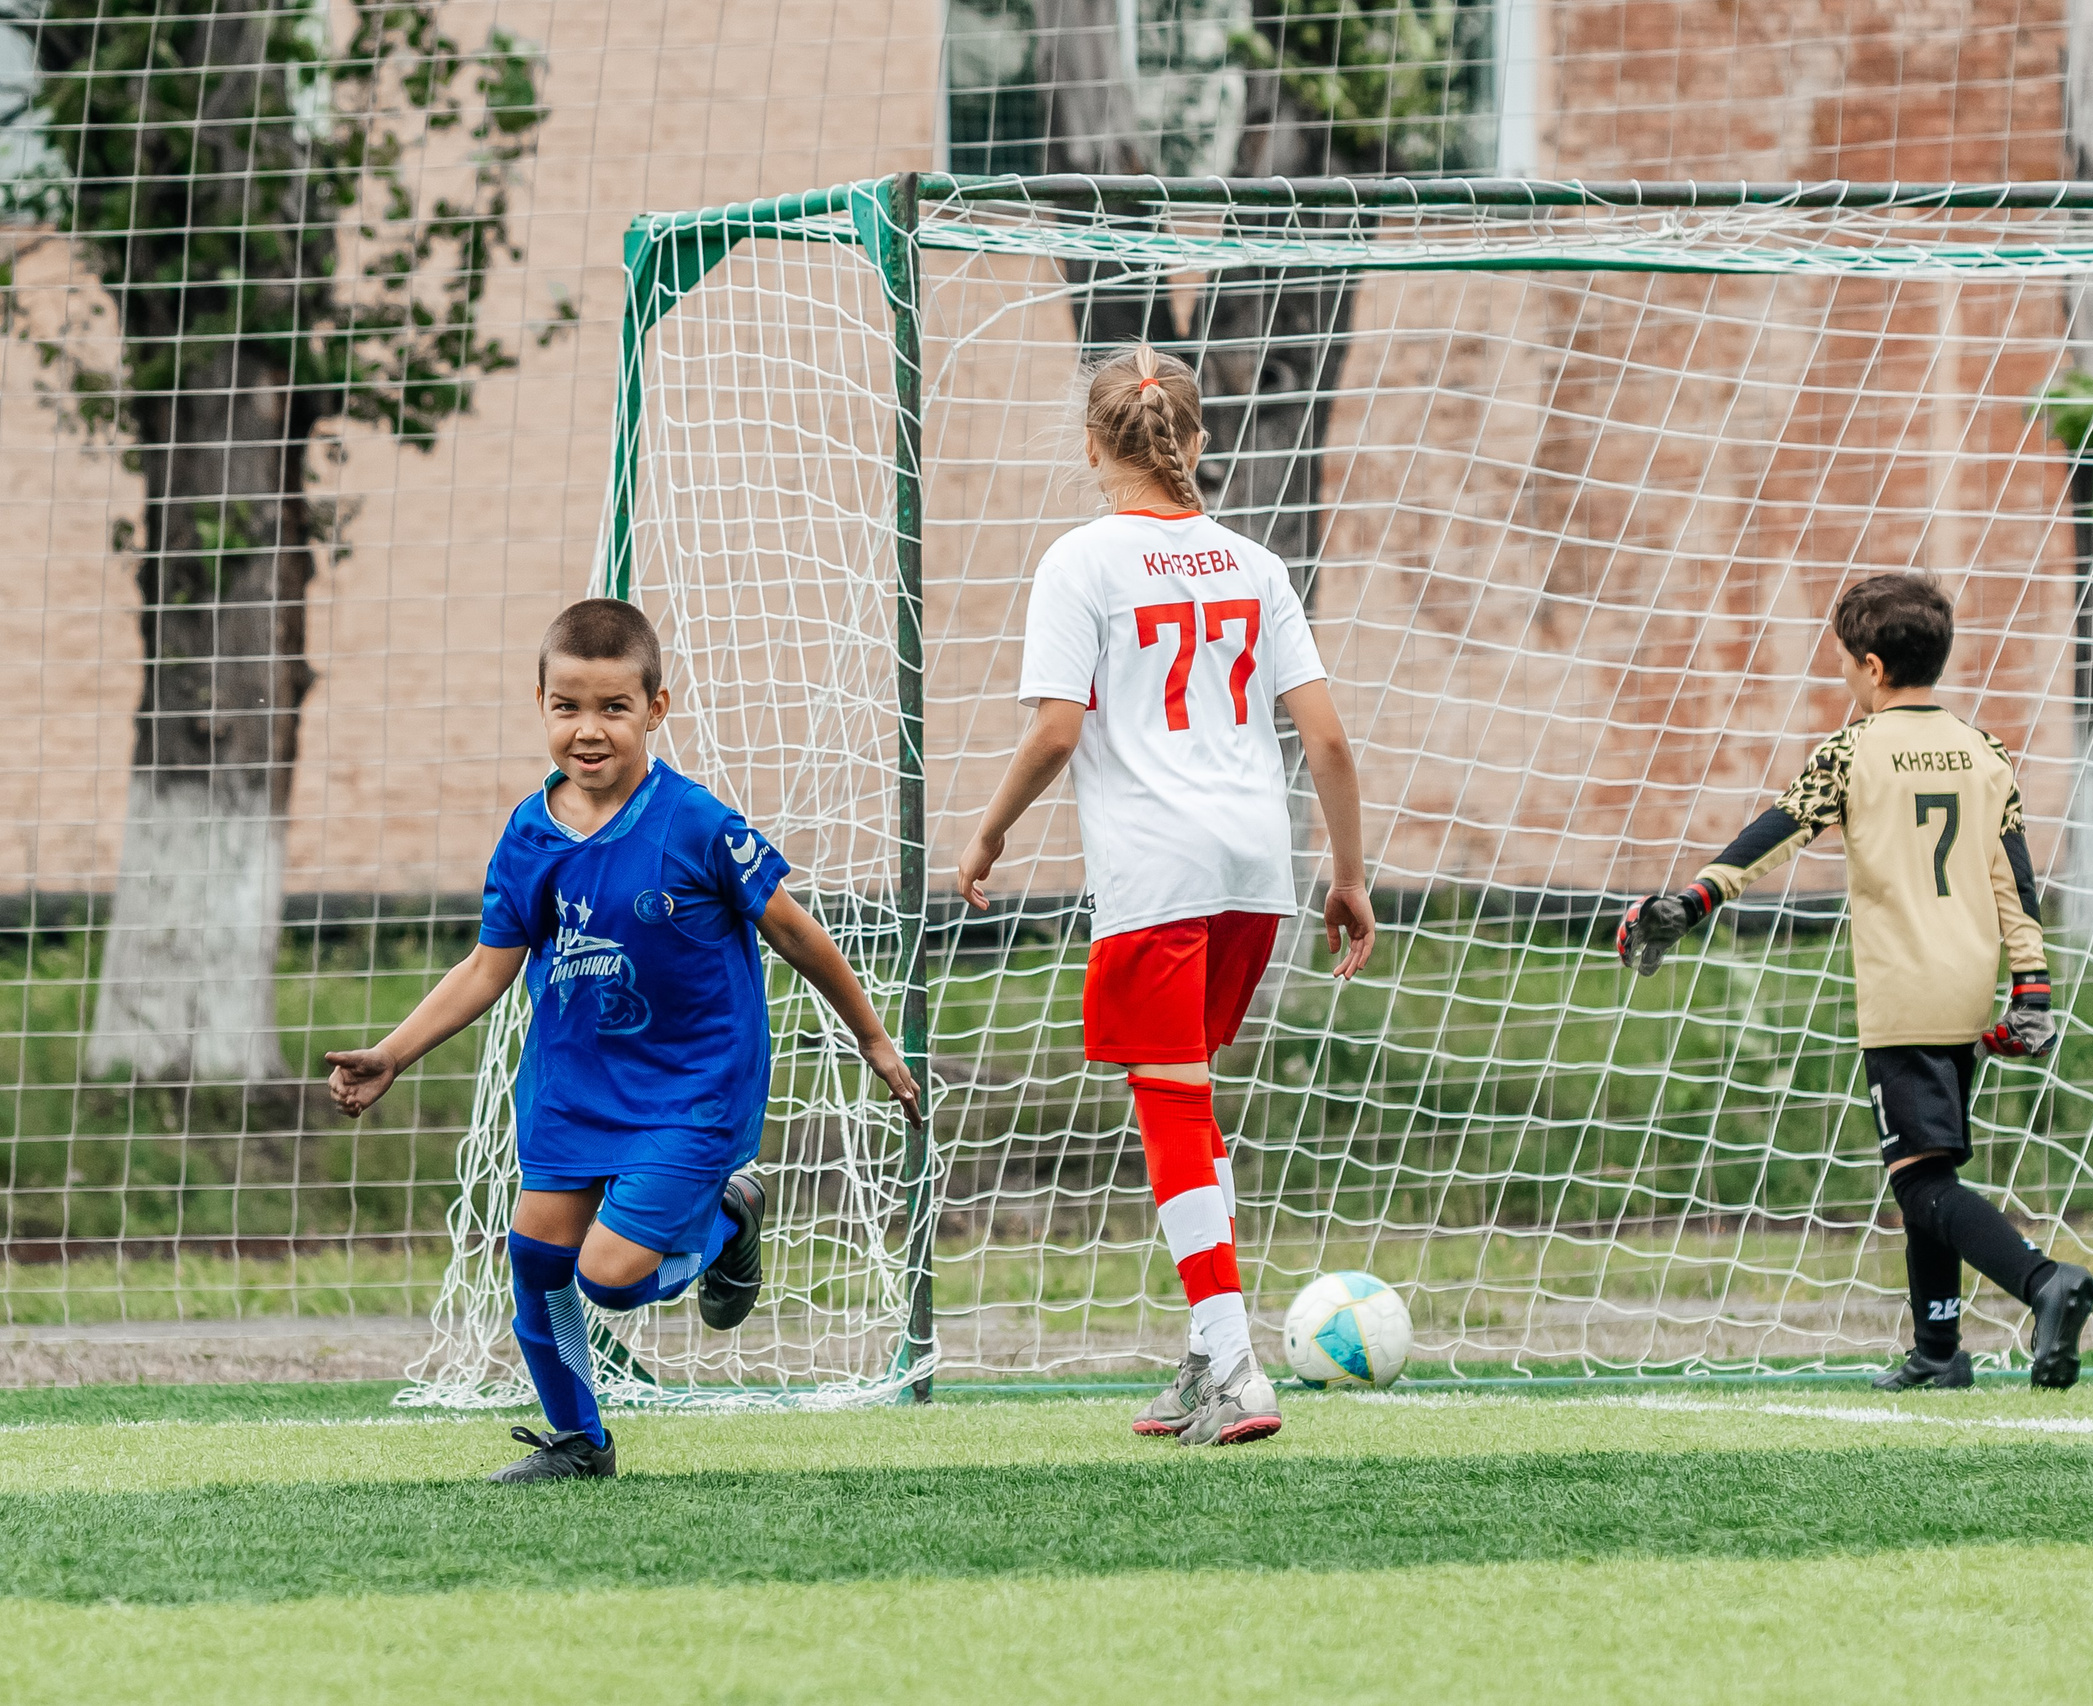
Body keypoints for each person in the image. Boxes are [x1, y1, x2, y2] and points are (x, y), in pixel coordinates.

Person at [325, 598, 922, 1480]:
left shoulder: (695, 823)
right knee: (536, 1260)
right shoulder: (528, 835)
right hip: (572, 1087)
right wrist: (393, 1053)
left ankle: (728, 1219)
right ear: (540, 705)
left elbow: (796, 933)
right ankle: (580, 1443)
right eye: (568, 707)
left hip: (693, 1089)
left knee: (607, 1275)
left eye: (613, 708)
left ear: (656, 708)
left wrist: (872, 1037)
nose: (589, 730)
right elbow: (486, 969)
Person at [957, 343, 1376, 1446]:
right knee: (1188, 1099)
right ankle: (1207, 1354)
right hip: (1255, 868)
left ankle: (1235, 1363)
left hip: (1157, 868)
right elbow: (1325, 735)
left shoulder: (1080, 560)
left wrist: (991, 829)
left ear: (1095, 448)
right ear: (1194, 443)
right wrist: (1346, 873)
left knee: (1171, 1106)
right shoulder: (1255, 562)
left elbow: (1056, 728)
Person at [1617, 572, 2093, 1390]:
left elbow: (1773, 835)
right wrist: (2033, 989)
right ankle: (1938, 1354)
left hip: (1902, 994)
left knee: (1919, 1184)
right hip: (1967, 984)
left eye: (1844, 661)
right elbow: (2015, 883)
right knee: (1930, 1166)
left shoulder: (1852, 750)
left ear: (1872, 668)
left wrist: (1694, 899)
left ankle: (2042, 1281)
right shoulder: (1987, 753)